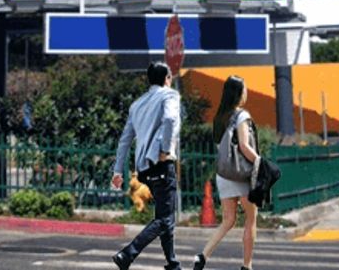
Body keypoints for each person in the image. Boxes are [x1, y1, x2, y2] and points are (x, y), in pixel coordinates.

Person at [110, 62, 181, 270]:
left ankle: (172, 263)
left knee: (164, 217)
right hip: (162, 164)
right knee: (165, 219)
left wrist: (117, 170)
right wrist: (166, 149)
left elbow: (125, 140)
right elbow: (169, 118)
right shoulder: (170, 95)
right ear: (167, 78)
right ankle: (127, 254)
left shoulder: (137, 104)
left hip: (145, 169)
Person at [192, 74, 258, 270]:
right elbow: (245, 147)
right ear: (239, 93)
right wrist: (260, 162)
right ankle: (247, 266)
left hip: (224, 175)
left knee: (228, 220)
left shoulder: (219, 117)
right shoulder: (242, 116)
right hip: (241, 174)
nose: (246, 92)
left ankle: (202, 256)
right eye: (244, 89)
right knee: (251, 219)